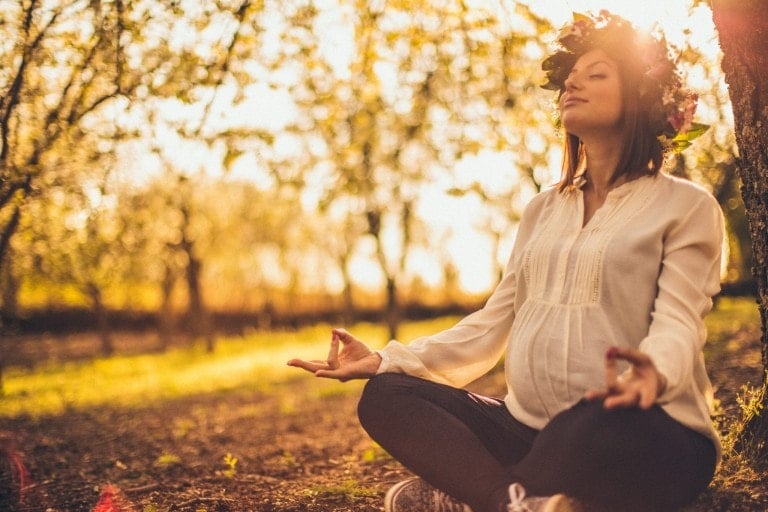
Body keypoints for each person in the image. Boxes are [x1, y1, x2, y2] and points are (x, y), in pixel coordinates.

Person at [288, 10, 723, 512]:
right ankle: (513, 500)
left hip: (641, 428)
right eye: (570, 76)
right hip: (527, 431)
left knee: (586, 421)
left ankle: (472, 493)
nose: (572, 82)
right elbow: (492, 323)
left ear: (642, 98)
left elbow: (680, 322)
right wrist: (389, 360)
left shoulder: (686, 206)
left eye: (596, 73)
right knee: (387, 396)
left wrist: (656, 372)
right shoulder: (543, 209)